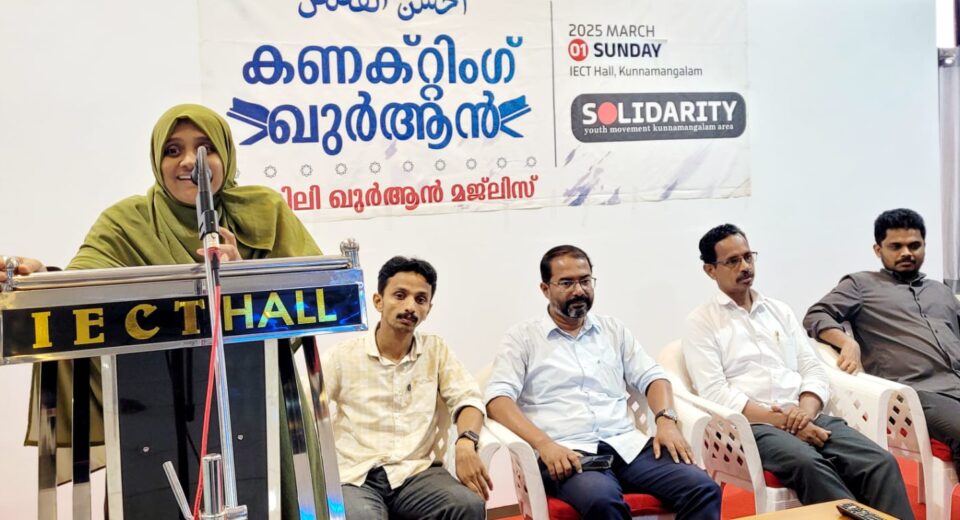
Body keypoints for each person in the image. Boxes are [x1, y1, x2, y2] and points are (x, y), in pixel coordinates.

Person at [9, 104, 324, 518]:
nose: (190, 161)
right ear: (157, 161)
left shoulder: (266, 211)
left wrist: (245, 280)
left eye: (205, 148)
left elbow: (314, 299)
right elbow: (83, 284)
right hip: (153, 412)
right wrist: (40, 280)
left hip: (260, 407)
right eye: (173, 150)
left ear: (226, 155)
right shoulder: (127, 223)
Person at [683, 224, 913, 518]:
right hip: (754, 427)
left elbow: (812, 367)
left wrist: (804, 413)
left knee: (880, 462)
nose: (745, 267)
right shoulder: (701, 322)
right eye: (733, 261)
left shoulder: (779, 310)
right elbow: (715, 393)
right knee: (811, 466)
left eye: (748, 257)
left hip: (807, 414)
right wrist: (785, 422)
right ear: (710, 270)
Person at [485, 245, 721, 520]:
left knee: (703, 488)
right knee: (603, 502)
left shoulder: (612, 330)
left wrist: (666, 421)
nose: (579, 291)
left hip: (628, 445)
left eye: (585, 281)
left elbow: (653, 377)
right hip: (568, 454)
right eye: (567, 283)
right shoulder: (522, 338)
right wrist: (544, 444)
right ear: (545, 289)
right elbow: (497, 399)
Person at [322, 256, 491, 520]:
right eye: (400, 296)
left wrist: (466, 443)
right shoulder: (342, 356)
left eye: (420, 299)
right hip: (355, 475)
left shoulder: (436, 350)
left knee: (467, 505)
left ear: (428, 309)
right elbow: (307, 407)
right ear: (378, 301)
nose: (410, 306)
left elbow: (468, 399)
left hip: (415, 473)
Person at [804, 208, 960, 475]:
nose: (906, 253)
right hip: (915, 392)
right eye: (896, 246)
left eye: (914, 245)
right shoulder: (861, 285)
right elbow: (816, 315)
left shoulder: (941, 291)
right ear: (878, 249)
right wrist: (847, 343)